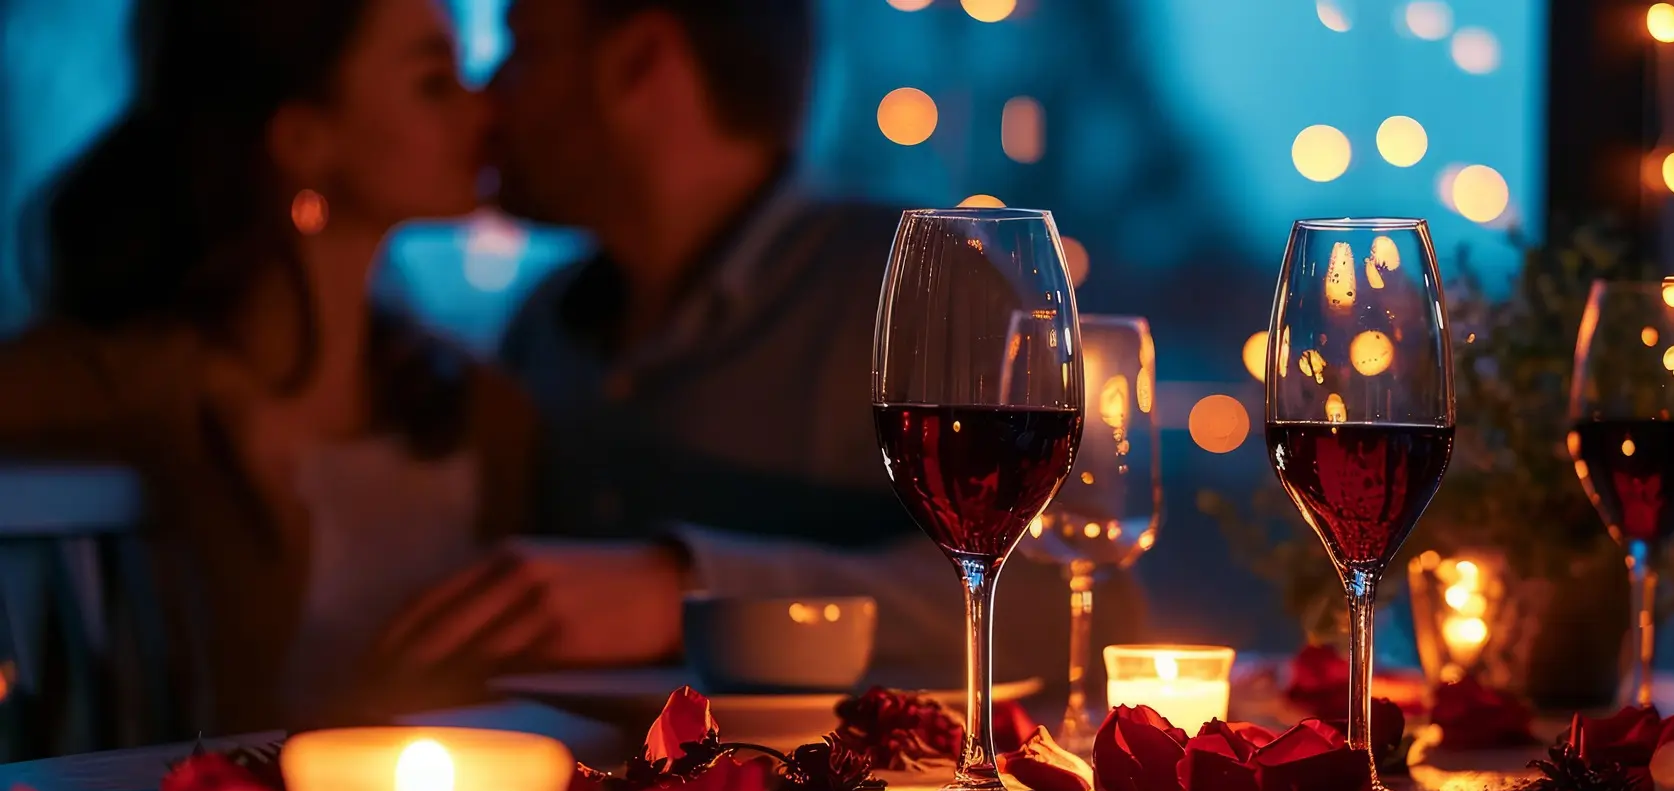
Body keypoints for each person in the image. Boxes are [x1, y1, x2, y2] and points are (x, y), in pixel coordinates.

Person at [484, 0, 1141, 686]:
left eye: (524, 48)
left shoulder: (921, 292)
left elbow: (1078, 602)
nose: (490, 93)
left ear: (639, 61)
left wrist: (685, 590)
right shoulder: (543, 324)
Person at [0, 0, 597, 733]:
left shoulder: (483, 409)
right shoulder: (151, 386)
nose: (485, 110)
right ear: (305, 139)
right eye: (434, 82)